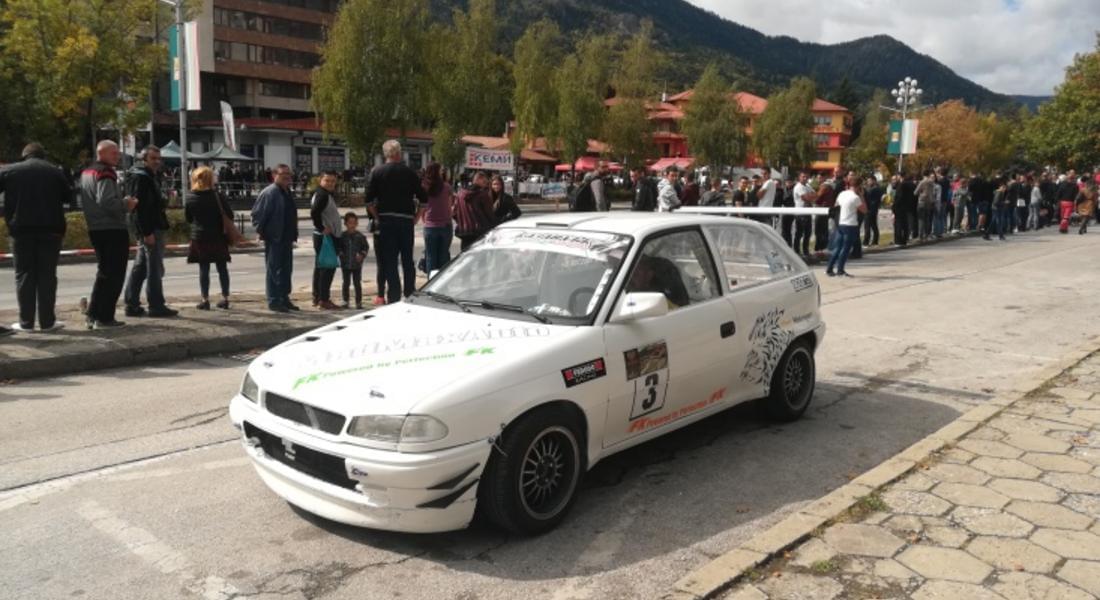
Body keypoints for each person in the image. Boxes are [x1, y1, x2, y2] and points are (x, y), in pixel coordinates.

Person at [0, 142, 69, 333]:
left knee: (24, 275)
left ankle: (26, 322)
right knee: (47, 275)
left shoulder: (10, 171)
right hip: (51, 230)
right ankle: (47, 322)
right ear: (43, 155)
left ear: (24, 155)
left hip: (21, 231)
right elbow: (68, 197)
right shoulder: (55, 171)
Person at [80, 140, 137, 329]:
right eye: (114, 153)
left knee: (104, 272)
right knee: (114, 274)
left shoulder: (87, 172)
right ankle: (105, 317)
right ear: (101, 153)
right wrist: (125, 205)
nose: (118, 156)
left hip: (95, 227)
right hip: (112, 228)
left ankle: (93, 314)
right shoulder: (105, 172)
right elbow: (106, 201)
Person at [367, 140, 426, 304]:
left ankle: (393, 295)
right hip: (406, 220)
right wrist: (416, 217)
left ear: (385, 154)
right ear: (400, 153)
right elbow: (423, 199)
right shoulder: (410, 173)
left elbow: (368, 201)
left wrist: (377, 217)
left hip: (386, 220)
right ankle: (409, 292)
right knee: (407, 259)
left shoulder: (377, 172)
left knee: (390, 260)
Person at [122, 146, 177, 319]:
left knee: (141, 266)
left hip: (150, 226)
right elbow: (140, 208)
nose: (157, 161)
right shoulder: (141, 177)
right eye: (153, 158)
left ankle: (131, 303)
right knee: (154, 268)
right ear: (144, 159)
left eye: (158, 158)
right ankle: (156, 304)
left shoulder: (148, 176)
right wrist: (147, 232)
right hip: (150, 227)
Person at [251, 164, 298, 312]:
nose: (287, 177)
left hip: (287, 237)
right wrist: (261, 232)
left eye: (289, 175)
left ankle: (284, 298)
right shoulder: (269, 193)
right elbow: (257, 215)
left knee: (286, 270)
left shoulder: (287, 191)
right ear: (274, 175)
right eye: (283, 174)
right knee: (274, 270)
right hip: (275, 238)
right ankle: (274, 300)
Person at [184, 166, 233, 310]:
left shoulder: (190, 197)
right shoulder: (218, 196)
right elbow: (229, 215)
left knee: (203, 269)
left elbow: (188, 218)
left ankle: (205, 299)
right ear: (210, 179)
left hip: (199, 237)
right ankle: (225, 298)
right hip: (218, 236)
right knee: (222, 268)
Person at [310, 171, 342, 310]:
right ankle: (324, 299)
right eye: (327, 180)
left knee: (321, 267)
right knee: (327, 268)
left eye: (333, 181)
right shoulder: (322, 195)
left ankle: (317, 297)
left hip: (323, 235)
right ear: (320, 180)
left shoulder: (322, 193)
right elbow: (314, 212)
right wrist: (322, 227)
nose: (330, 183)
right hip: (326, 237)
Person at [826, 174, 866, 278]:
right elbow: (864, 210)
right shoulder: (855, 197)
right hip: (851, 224)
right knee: (845, 248)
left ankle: (829, 268)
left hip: (841, 223)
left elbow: (836, 205)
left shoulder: (842, 194)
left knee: (837, 247)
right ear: (859, 186)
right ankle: (840, 270)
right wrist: (861, 195)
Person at [420, 162, 453, 273]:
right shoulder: (446, 187)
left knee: (430, 257)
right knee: (443, 256)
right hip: (445, 225)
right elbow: (449, 207)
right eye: (440, 170)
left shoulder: (424, 187)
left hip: (430, 226)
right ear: (437, 172)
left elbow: (422, 207)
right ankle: (441, 282)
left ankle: (431, 282)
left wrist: (425, 220)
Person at [453, 171, 496, 251]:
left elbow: (454, 213)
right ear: (478, 180)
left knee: (465, 257)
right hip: (480, 232)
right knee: (479, 259)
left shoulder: (460, 194)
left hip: (464, 232)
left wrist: (462, 222)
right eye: (484, 182)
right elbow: (489, 214)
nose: (485, 184)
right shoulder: (482, 195)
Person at [339, 212, 369, 308]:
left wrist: (361, 255)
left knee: (357, 283)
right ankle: (345, 301)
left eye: (354, 223)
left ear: (357, 224)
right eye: (350, 223)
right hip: (345, 264)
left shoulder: (360, 236)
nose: (352, 225)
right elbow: (338, 248)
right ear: (345, 224)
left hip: (357, 264)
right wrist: (341, 254)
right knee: (346, 283)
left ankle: (358, 302)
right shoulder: (342, 236)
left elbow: (365, 247)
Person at [792, 172, 817, 256]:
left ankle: (805, 251)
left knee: (808, 233)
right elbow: (805, 198)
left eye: (806, 176)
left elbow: (816, 195)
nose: (805, 178)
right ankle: (796, 251)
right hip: (800, 213)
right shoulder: (799, 187)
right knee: (799, 233)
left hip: (808, 212)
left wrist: (811, 196)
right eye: (803, 177)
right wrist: (810, 196)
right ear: (799, 177)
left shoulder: (807, 186)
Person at [915, 171, 936, 242]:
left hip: (922, 201)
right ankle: (926, 235)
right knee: (927, 219)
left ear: (923, 175)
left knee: (921, 219)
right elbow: (933, 192)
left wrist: (921, 192)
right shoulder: (932, 183)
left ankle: (920, 236)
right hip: (929, 202)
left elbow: (915, 192)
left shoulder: (922, 182)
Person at [862, 177, 883, 246]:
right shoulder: (876, 188)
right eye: (868, 181)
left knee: (867, 226)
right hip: (873, 209)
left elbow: (868, 195)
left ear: (874, 181)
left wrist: (864, 190)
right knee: (874, 225)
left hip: (870, 209)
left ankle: (866, 241)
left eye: (869, 181)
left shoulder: (875, 189)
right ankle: (875, 241)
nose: (868, 182)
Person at [1057, 169, 1078, 234]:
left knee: (1063, 217)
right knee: (1065, 217)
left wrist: (1058, 201)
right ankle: (1062, 228)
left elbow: (1058, 193)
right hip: (1069, 203)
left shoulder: (1062, 184)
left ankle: (1064, 229)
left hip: (1062, 202)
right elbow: (1076, 196)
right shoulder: (1075, 186)